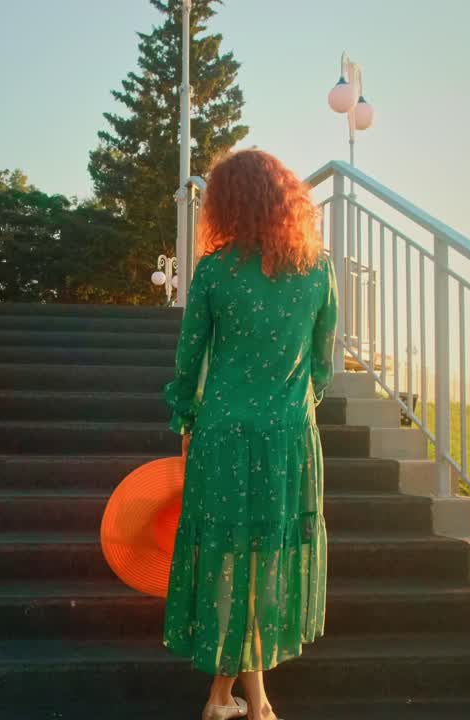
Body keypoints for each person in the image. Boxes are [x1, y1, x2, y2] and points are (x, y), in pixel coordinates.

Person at [162, 149, 337, 720]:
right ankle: (253, 701)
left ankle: (227, 696)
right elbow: (322, 363)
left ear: (224, 204)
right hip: (287, 438)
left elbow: (188, 364)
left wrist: (185, 417)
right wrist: (295, 408)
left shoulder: (213, 271)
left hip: (222, 433)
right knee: (266, 557)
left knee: (227, 557)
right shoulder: (318, 270)